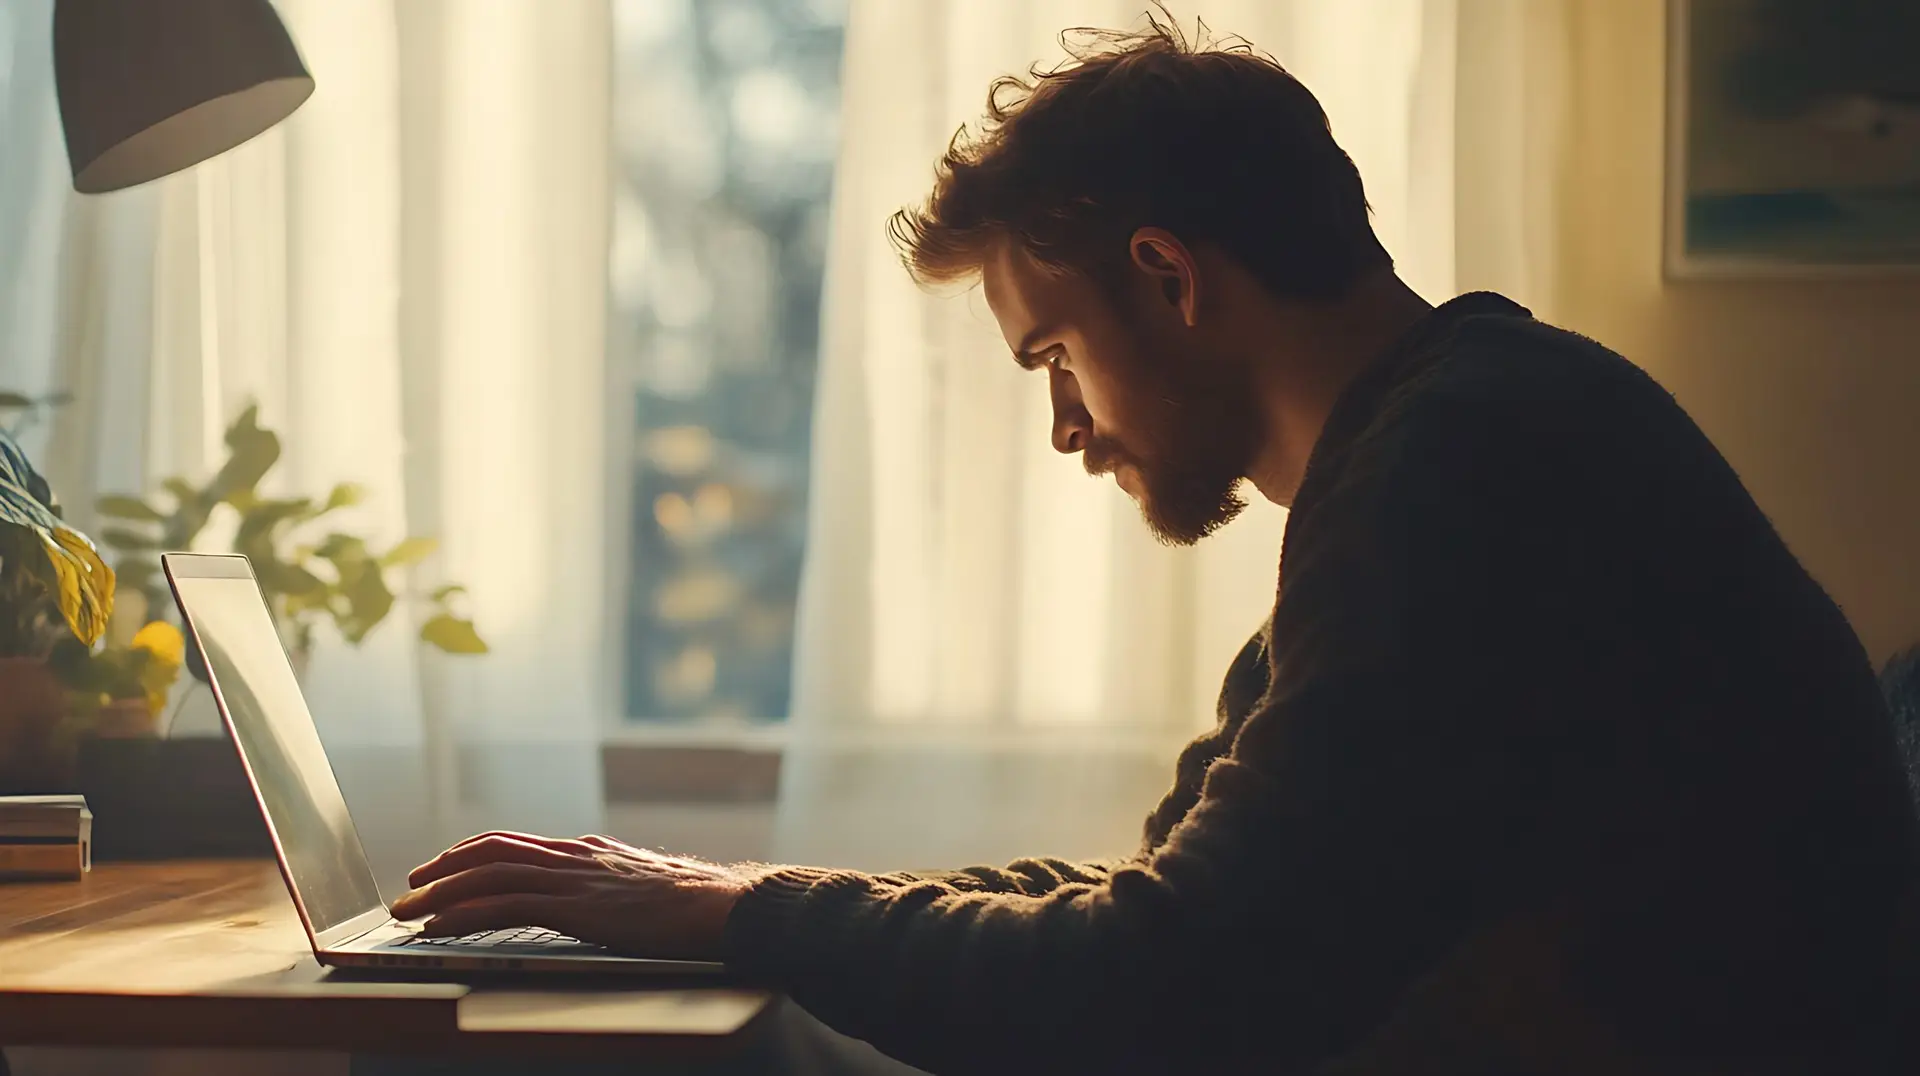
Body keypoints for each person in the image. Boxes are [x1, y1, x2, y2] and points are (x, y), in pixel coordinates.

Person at [388, 15, 1920, 1075]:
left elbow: (1174, 988)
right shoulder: (1440, 442)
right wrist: (734, 895)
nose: (1066, 430)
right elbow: (1159, 896)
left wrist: (740, 911)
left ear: (1169, 277)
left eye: (1054, 355)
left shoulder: (1470, 467)